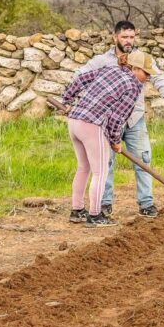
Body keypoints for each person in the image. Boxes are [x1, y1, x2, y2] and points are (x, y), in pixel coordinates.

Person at [75, 20, 164, 219]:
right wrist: (80, 102)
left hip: (135, 120)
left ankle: (146, 204)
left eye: (132, 37)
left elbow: (159, 79)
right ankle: (104, 203)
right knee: (105, 163)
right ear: (115, 37)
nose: (128, 41)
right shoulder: (102, 61)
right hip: (106, 121)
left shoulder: (142, 59)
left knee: (143, 159)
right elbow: (80, 76)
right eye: (124, 37)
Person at [60, 50, 147, 228]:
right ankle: (95, 215)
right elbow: (117, 118)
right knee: (100, 172)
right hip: (92, 125)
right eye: (146, 73)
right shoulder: (132, 86)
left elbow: (80, 80)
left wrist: (67, 100)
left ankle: (77, 211)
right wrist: (115, 140)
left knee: (83, 167)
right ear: (136, 68)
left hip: (74, 120)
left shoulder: (109, 69)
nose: (148, 77)